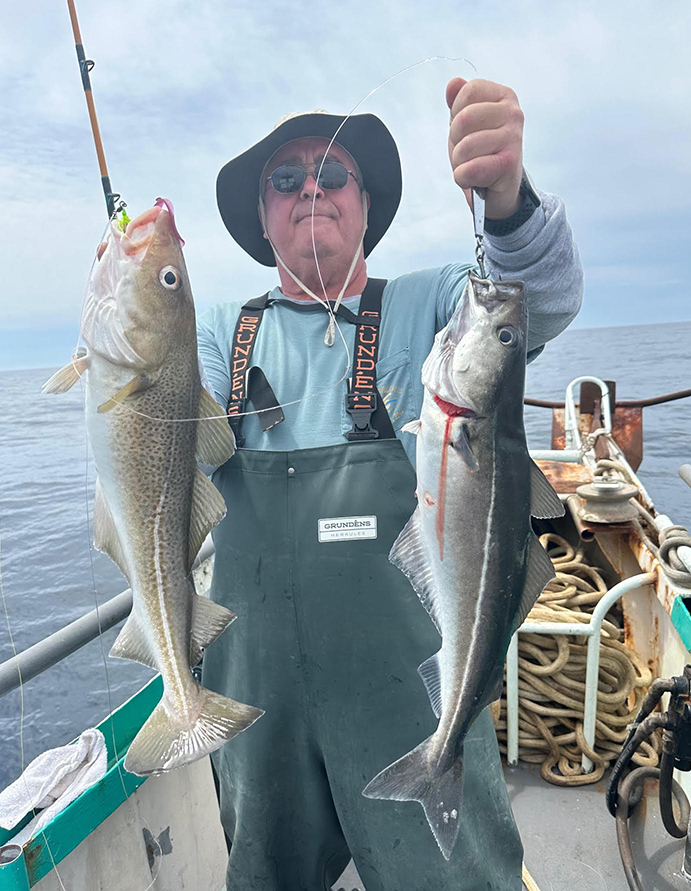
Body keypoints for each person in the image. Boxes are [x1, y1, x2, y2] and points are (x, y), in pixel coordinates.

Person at [198, 77, 583, 891]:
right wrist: (127, 307)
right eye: (285, 179)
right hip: (254, 703)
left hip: (410, 692)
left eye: (333, 174)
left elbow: (534, 303)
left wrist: (506, 200)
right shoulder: (216, 334)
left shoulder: (433, 302)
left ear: (365, 205)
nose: (311, 189)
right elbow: (161, 443)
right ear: (262, 214)